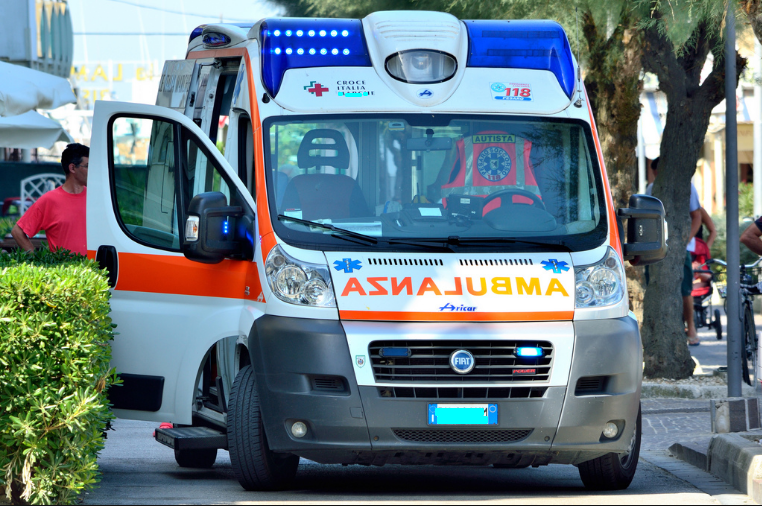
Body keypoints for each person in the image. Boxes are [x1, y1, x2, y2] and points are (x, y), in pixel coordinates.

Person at [647, 157, 702, 345]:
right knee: (654, 285)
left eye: (657, 173)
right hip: (656, 248)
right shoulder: (651, 189)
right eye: (654, 174)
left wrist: (686, 239)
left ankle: (691, 327)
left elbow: (697, 216)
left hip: (680, 248)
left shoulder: (687, 187)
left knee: (685, 289)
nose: (656, 178)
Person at [10, 143, 89, 255]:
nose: (92, 170)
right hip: (65, 271)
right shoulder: (50, 199)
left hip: (94, 269)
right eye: (87, 166)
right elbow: (17, 232)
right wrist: (35, 260)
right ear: (72, 168)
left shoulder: (94, 197)